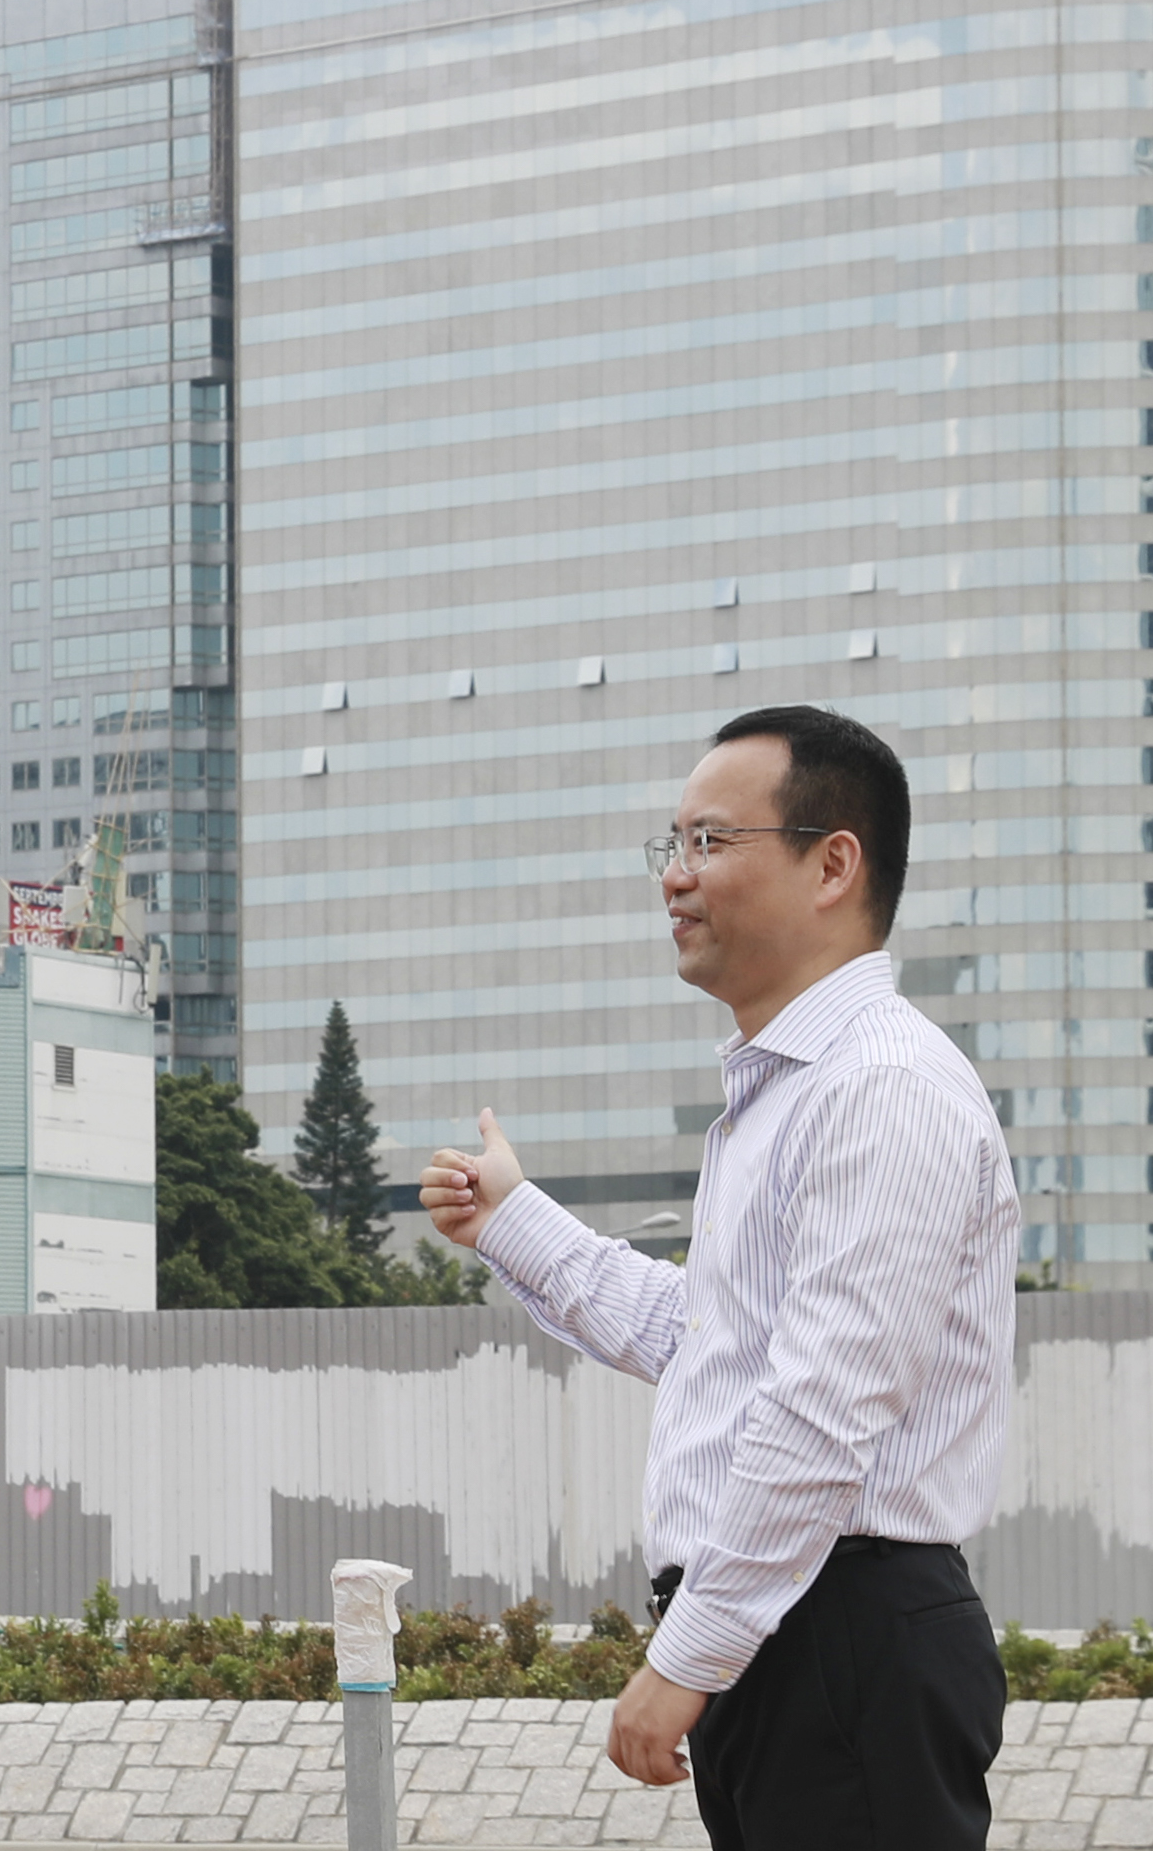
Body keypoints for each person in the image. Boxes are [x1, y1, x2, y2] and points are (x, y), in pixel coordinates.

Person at [418, 704, 1018, 1851]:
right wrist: (512, 1220)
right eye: (671, 847)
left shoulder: (881, 1088)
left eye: (710, 842)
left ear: (832, 860)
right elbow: (709, 1337)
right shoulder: (785, 1094)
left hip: (844, 1632)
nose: (675, 879)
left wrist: (689, 1654)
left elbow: (822, 1408)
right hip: (798, 1635)